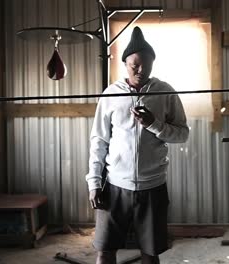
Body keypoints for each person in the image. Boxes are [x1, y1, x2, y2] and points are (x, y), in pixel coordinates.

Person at [85, 26, 189, 264]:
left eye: (146, 65)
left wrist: (154, 124)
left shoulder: (165, 93)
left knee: (150, 254)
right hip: (114, 186)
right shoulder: (111, 94)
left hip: (153, 185)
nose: (140, 70)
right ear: (125, 64)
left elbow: (182, 134)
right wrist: (94, 182)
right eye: (135, 65)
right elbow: (99, 141)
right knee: (105, 251)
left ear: (153, 64)